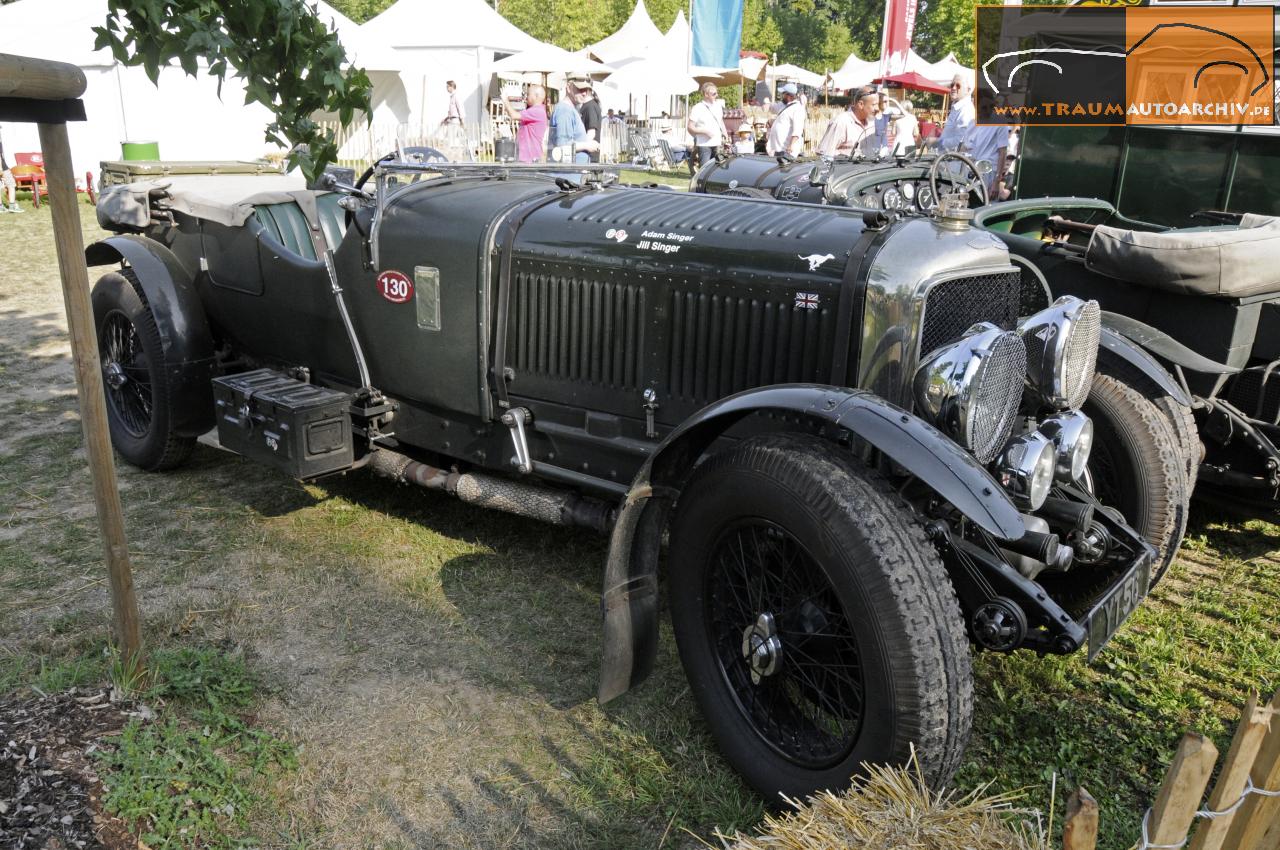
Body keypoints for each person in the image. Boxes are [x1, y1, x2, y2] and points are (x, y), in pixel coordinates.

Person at [816, 86, 877, 158]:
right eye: (874, 105)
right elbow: (824, 155)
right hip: (845, 169)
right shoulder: (840, 123)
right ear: (861, 104)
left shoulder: (873, 123)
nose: (877, 108)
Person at [686, 81, 728, 172]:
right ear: (706, 94)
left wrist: (725, 133)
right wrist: (704, 132)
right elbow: (690, 127)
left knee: (717, 169)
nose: (716, 95)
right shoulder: (698, 108)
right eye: (713, 93)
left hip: (717, 143)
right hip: (704, 144)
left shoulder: (718, 106)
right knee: (704, 170)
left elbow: (720, 121)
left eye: (716, 93)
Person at [504, 84, 548, 163]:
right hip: (528, 157)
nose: (526, 97)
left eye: (528, 94)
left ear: (536, 96)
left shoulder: (537, 111)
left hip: (529, 159)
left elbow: (514, 115)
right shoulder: (536, 110)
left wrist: (505, 100)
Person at [968, 122, 1010, 196]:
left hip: (988, 174)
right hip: (973, 170)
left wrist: (997, 182)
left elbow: (1003, 153)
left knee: (986, 204)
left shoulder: (1001, 124)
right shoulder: (975, 121)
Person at [939, 74, 976, 154]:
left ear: (968, 90)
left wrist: (938, 142)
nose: (953, 88)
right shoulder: (957, 107)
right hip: (947, 161)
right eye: (952, 85)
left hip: (955, 163)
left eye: (958, 85)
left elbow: (961, 141)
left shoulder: (966, 110)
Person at [766, 82, 805, 157]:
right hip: (778, 148)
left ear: (788, 95)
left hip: (787, 150)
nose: (782, 96)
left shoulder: (798, 109)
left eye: (783, 94)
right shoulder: (784, 105)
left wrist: (791, 145)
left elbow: (797, 130)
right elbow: (773, 108)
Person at [575, 81, 603, 163]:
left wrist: (581, 147)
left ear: (586, 91)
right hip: (587, 155)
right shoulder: (588, 105)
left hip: (589, 157)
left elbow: (591, 132)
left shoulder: (590, 106)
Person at [0, 130, 19, 214]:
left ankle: (1, 207)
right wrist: (1, 169)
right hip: (2, 167)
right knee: (11, 184)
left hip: (2, 166)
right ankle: (12, 206)